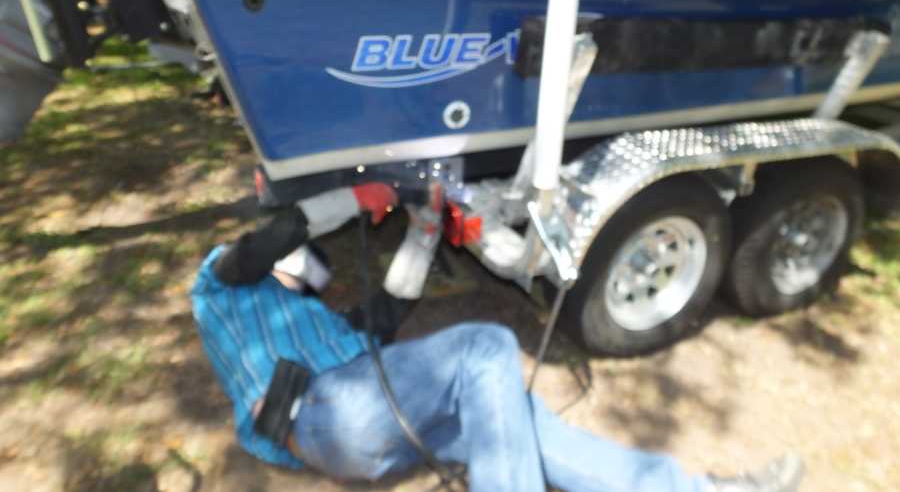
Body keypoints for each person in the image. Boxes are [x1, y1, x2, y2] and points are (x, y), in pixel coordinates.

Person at [191, 182, 805, 492]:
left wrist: (425, 229)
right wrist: (361, 194)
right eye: (303, 265)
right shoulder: (217, 283)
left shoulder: (317, 321)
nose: (310, 274)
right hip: (323, 413)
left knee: (518, 414)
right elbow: (263, 246)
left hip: (366, 433)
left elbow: (390, 312)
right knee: (482, 346)